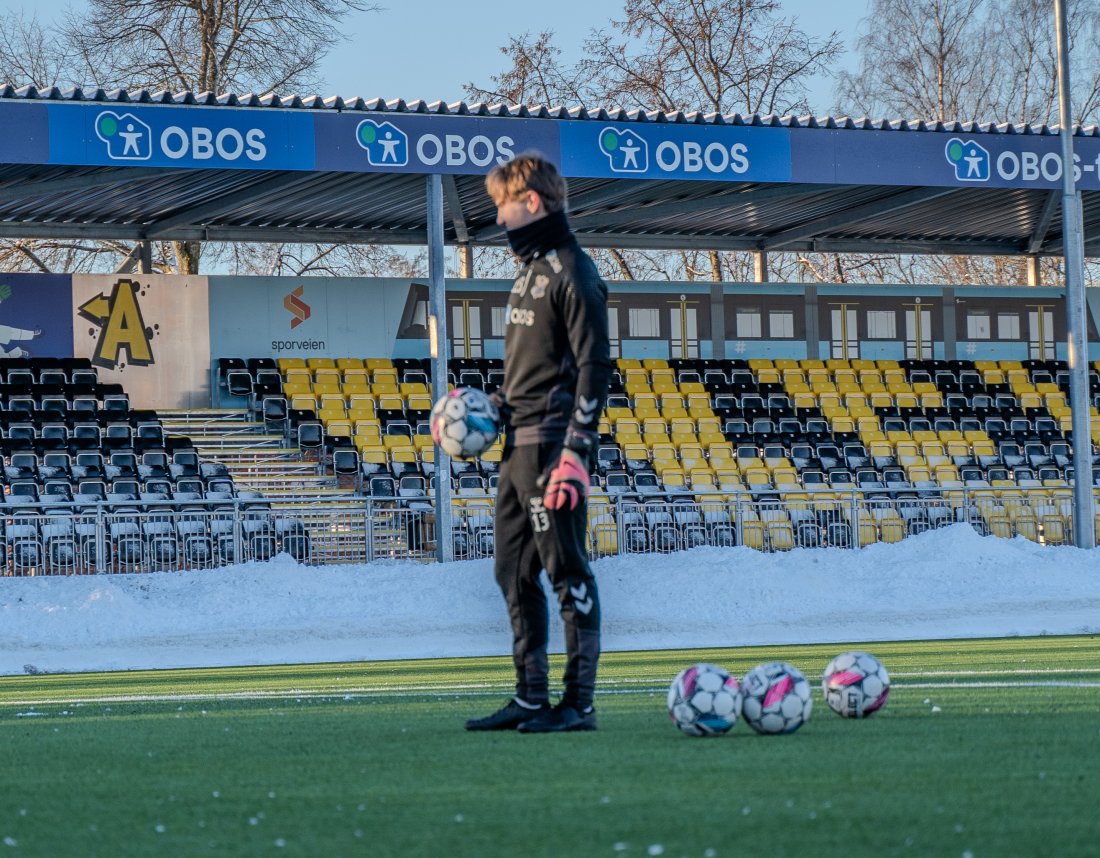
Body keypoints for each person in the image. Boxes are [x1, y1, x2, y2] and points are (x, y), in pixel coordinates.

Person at [465, 153, 612, 734]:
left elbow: (595, 367)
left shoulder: (575, 271)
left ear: (531, 201)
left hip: (554, 449)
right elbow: (535, 371)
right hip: (516, 448)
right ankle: (530, 697)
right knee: (512, 572)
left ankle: (578, 703)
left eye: (503, 206)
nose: (499, 219)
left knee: (566, 571)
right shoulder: (529, 273)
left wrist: (577, 452)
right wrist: (493, 406)